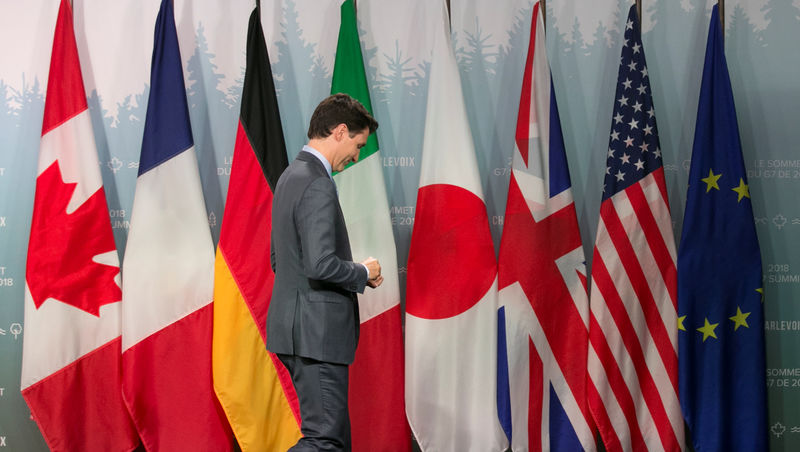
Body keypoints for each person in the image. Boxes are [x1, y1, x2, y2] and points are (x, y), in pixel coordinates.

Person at [266, 93, 383, 451]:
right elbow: (319, 264)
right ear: (341, 131)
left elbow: (279, 260)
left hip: (296, 331)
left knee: (333, 439)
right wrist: (362, 272)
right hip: (314, 336)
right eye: (358, 145)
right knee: (326, 442)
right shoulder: (317, 181)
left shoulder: (290, 176)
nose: (357, 155)